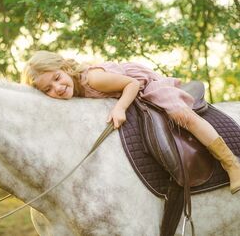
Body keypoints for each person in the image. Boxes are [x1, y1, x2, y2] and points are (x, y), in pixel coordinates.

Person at [22, 50, 240, 194]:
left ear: (66, 69)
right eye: (48, 89)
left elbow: (132, 84)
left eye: (57, 78)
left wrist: (120, 108)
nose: (57, 89)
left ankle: (231, 162)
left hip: (144, 86)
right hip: (131, 90)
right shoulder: (73, 92)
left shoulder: (93, 78)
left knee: (180, 115)